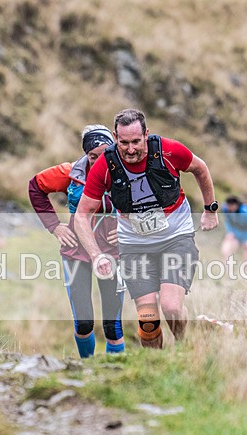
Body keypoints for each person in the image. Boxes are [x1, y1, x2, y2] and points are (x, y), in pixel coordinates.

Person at [74, 108, 219, 349]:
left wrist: (210, 209)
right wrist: (96, 255)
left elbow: (200, 168)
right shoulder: (105, 165)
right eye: (124, 143)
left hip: (176, 238)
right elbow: (81, 216)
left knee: (171, 307)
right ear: (115, 137)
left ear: (146, 135)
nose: (130, 149)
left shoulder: (169, 150)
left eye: (136, 142)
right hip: (135, 246)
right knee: (148, 321)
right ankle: (156, 364)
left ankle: (183, 347)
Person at [28, 125, 125, 358]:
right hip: (76, 251)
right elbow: (36, 187)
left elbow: (147, 203)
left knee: (113, 326)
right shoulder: (70, 173)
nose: (99, 161)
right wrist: (54, 226)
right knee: (83, 322)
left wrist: (126, 229)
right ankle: (87, 368)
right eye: (93, 156)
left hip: (113, 251)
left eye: (104, 154)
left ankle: (116, 371)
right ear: (85, 154)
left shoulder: (127, 171)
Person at [221, 195, 247, 262]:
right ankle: (228, 266)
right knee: (226, 249)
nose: (229, 208)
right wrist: (230, 232)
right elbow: (227, 221)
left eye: (231, 206)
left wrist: (246, 239)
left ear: (236, 205)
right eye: (228, 206)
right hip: (235, 233)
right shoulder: (225, 209)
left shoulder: (244, 211)